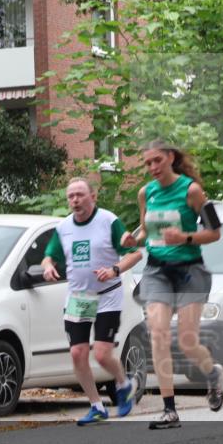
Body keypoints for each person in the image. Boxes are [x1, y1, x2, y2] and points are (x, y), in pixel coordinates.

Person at [121, 140, 223, 429]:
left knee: (187, 341)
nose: (152, 167)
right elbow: (146, 228)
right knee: (158, 335)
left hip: (190, 271)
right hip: (157, 271)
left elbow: (215, 232)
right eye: (147, 163)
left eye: (157, 161)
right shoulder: (146, 193)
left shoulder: (191, 190)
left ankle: (213, 373)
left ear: (170, 158)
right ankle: (169, 410)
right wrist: (134, 238)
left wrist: (185, 238)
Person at [42, 177, 142, 425]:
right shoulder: (63, 227)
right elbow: (49, 257)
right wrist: (47, 267)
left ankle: (123, 383)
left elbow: (135, 253)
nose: (74, 200)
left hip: (108, 295)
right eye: (71, 196)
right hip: (79, 297)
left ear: (93, 196)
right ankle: (97, 406)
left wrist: (115, 270)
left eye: (80, 194)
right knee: (77, 353)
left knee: (101, 354)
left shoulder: (109, 221)